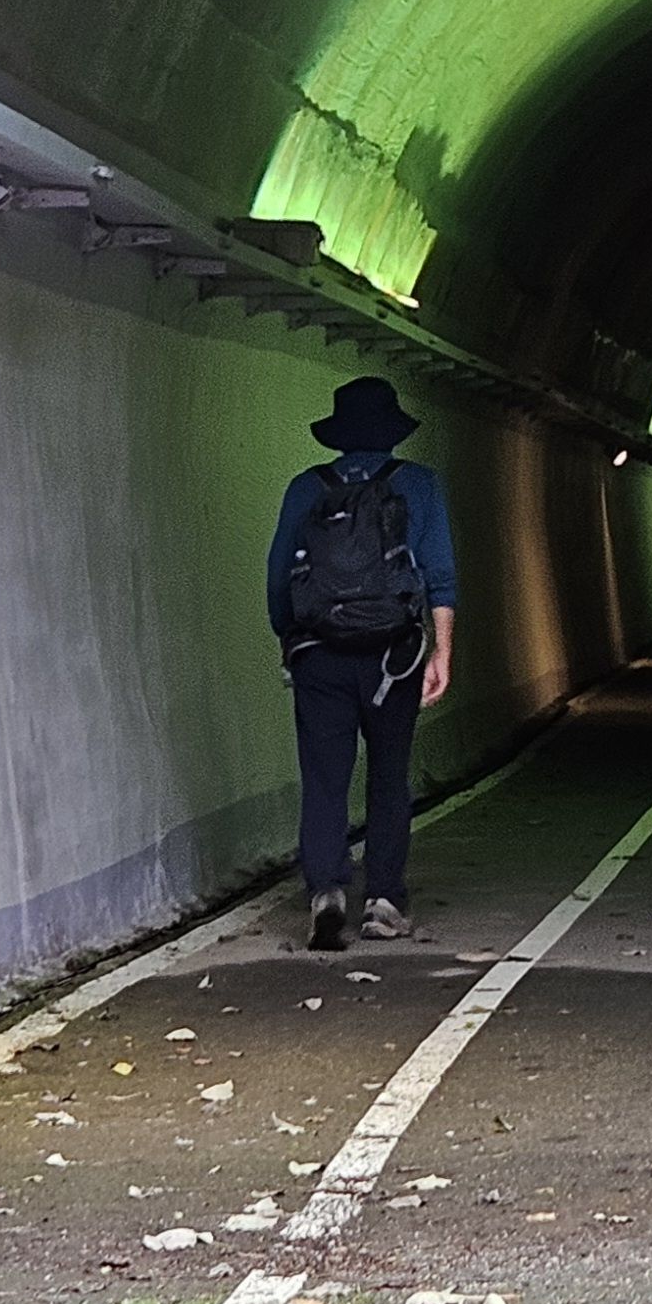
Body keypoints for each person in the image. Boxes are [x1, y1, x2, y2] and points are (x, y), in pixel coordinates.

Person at [266, 376, 458, 948]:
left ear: (339, 434)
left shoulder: (306, 488)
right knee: (389, 774)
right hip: (392, 657)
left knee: (324, 776)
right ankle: (383, 901)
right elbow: (439, 574)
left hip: (319, 655)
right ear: (392, 432)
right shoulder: (418, 484)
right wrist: (442, 650)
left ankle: (326, 891)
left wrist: (291, 639)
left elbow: (279, 577)